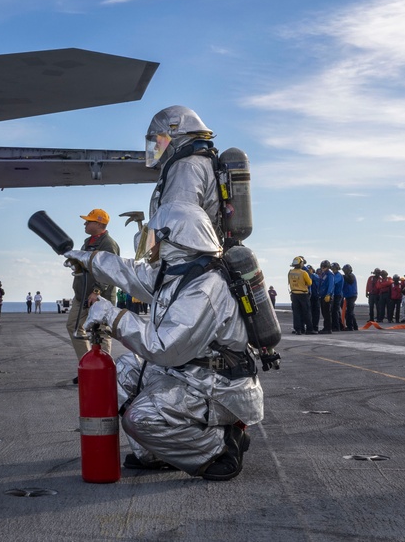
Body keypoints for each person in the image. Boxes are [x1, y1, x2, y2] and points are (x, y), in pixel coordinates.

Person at [67, 201, 262, 481]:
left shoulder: (205, 288)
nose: (149, 241)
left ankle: (220, 446)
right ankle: (156, 453)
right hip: (192, 371)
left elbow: (164, 348)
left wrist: (110, 314)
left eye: (154, 235)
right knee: (120, 373)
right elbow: (130, 273)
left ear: (176, 238)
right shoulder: (179, 272)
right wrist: (87, 259)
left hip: (217, 385)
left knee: (140, 418)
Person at [144, 105, 222, 240]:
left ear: (175, 136)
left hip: (185, 256)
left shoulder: (185, 167)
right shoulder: (201, 161)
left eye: (159, 141)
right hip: (197, 250)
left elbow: (174, 224)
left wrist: (142, 240)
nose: (157, 147)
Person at [66, 208, 120, 382]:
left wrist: (97, 291)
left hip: (100, 297)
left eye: (88, 221)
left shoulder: (108, 244)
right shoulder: (87, 242)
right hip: (81, 295)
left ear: (98, 223)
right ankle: (89, 366)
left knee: (102, 333)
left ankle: (103, 372)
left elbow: (109, 270)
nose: (85, 223)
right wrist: (75, 262)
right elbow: (86, 264)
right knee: (73, 327)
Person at [288, 257, 313, 335]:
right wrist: (310, 274)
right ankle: (309, 329)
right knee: (306, 312)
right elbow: (309, 283)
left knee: (296, 313)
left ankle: (298, 329)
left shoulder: (290, 272)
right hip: (303, 294)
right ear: (300, 264)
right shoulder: (303, 273)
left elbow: (289, 282)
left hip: (294, 294)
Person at [342, 264, 358, 330]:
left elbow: (350, 281)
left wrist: (343, 276)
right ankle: (355, 326)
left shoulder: (351, 276)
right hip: (349, 295)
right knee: (350, 312)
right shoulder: (347, 276)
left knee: (349, 312)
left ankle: (350, 326)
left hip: (352, 295)